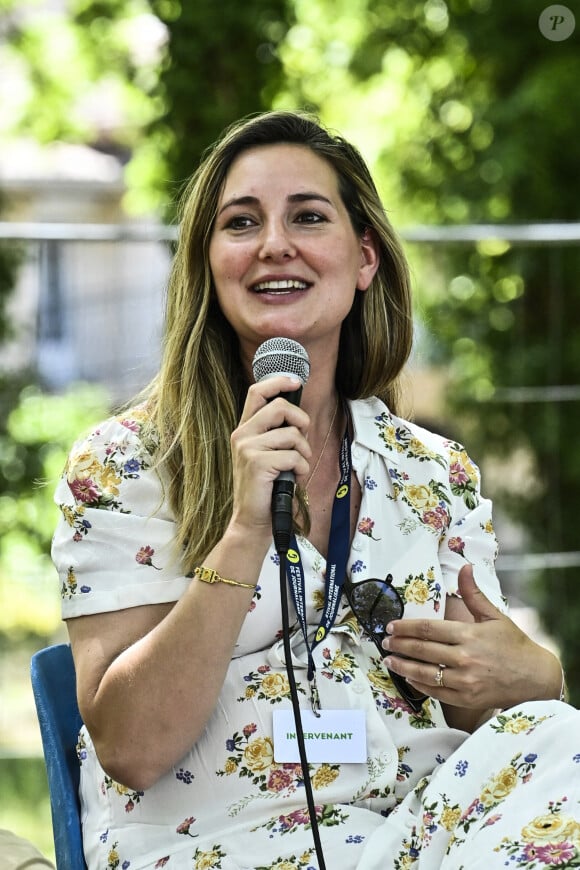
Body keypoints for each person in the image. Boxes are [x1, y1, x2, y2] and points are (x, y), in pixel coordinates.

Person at [51, 110, 579, 870]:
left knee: (563, 741)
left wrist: (536, 676)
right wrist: (242, 533)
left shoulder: (433, 471)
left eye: (308, 215)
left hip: (422, 832)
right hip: (221, 846)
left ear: (363, 257)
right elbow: (130, 748)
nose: (275, 243)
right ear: (209, 263)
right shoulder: (124, 463)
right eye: (241, 222)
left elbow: (482, 706)